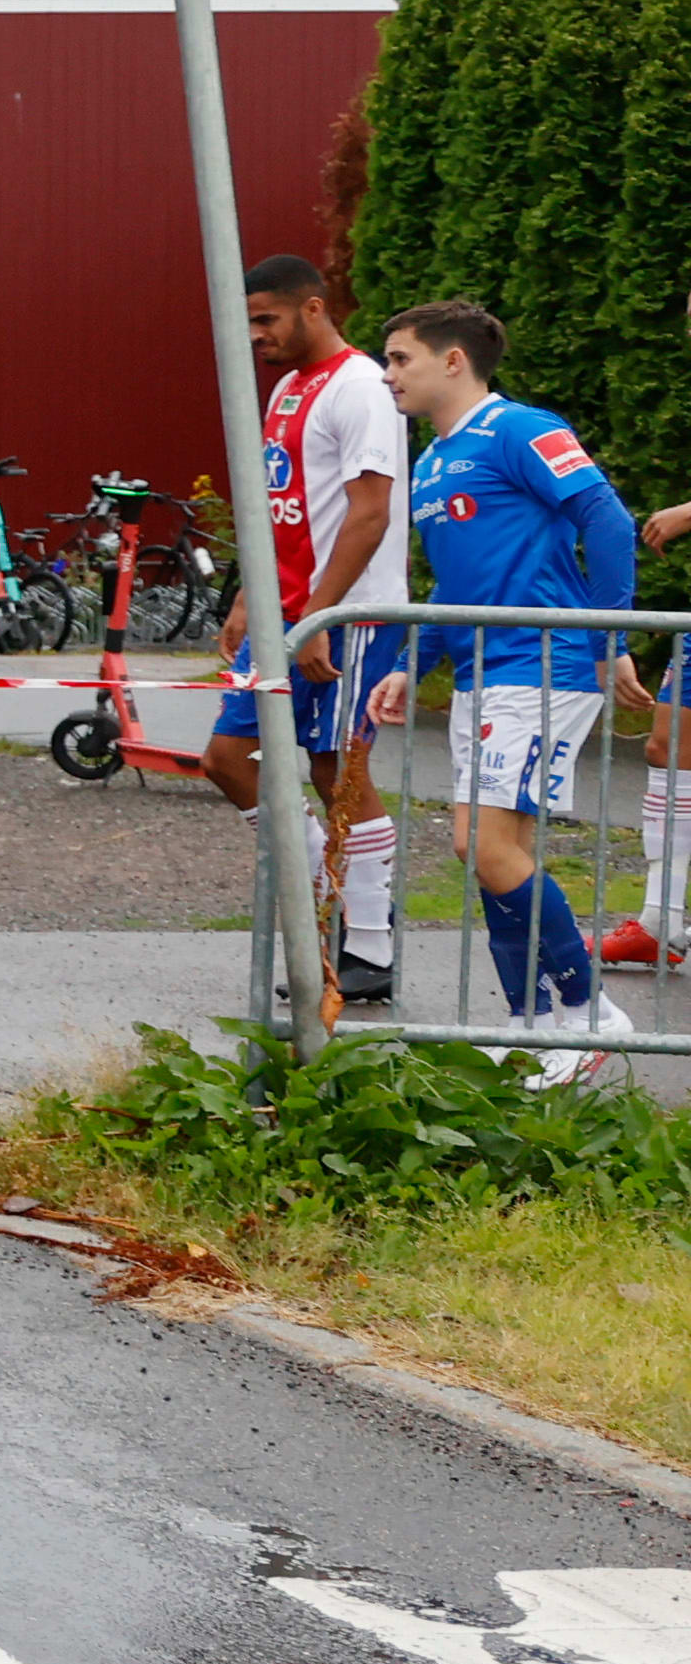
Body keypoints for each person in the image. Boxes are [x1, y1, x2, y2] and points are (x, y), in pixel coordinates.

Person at [359, 299, 635, 1088]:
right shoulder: (432, 460)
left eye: (401, 358)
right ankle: (529, 1024)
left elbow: (607, 519)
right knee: (490, 852)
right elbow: (456, 580)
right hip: (483, 673)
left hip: (541, 664)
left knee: (481, 845)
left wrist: (611, 637)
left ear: (454, 360)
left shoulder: (520, 428)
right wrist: (415, 661)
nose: (388, 375)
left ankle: (587, 1013)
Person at [220, 255, 409, 1008]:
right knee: (228, 758)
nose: (256, 335)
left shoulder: (360, 385)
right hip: (286, 611)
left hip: (346, 615)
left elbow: (370, 512)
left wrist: (319, 615)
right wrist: (248, 593)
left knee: (338, 772)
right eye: (249, 321)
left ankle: (370, 943)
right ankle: (329, 897)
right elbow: (280, 505)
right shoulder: (287, 389)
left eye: (266, 318)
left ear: (313, 309)